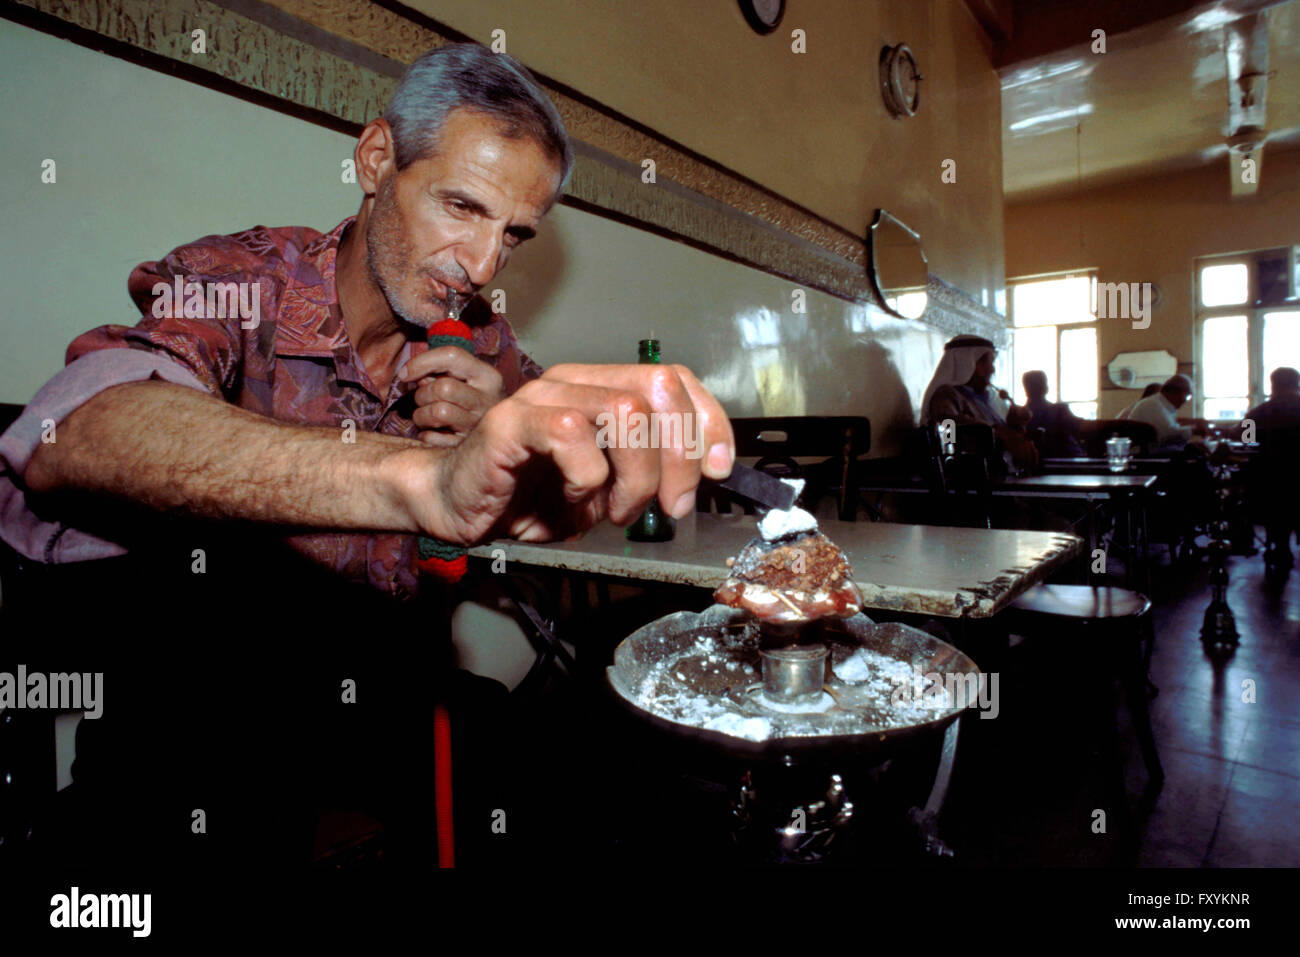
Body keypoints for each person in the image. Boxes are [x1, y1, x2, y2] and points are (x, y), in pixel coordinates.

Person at [0, 43, 734, 878]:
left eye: (515, 235)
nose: (483, 265)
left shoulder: (483, 341)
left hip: (383, 687)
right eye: (461, 206)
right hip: (199, 700)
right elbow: (81, 428)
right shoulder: (241, 283)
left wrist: (524, 442)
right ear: (377, 159)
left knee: (574, 771)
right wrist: (420, 478)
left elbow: (559, 502)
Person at [922, 334, 1038, 470]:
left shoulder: (985, 397)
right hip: (972, 479)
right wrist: (997, 432)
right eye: (986, 362)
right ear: (966, 363)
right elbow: (949, 430)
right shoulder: (945, 395)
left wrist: (1012, 423)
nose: (992, 369)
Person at [1244, 367, 1300, 571]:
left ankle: (1277, 547)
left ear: (1273, 385)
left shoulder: (1258, 412)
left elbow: (1245, 440)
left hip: (1270, 478)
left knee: (1276, 510)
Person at [1124, 374, 1208, 449]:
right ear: (1174, 391)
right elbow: (1166, 434)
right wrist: (1195, 430)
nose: (1186, 401)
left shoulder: (1160, 405)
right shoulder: (1152, 405)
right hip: (1150, 458)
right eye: (1188, 396)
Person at [1021, 370, 1084, 457]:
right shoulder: (1059, 410)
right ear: (1045, 387)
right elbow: (1080, 427)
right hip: (1067, 462)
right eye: (1044, 383)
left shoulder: (1018, 416)